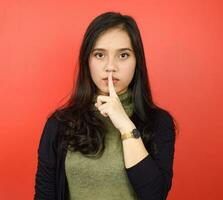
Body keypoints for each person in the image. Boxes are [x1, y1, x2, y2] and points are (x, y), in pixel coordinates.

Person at [34, 11, 177, 200]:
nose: (110, 66)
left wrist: (125, 126)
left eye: (123, 55)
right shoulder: (59, 124)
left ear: (137, 62)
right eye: (100, 55)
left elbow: (155, 195)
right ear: (87, 61)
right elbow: (45, 196)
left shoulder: (159, 122)